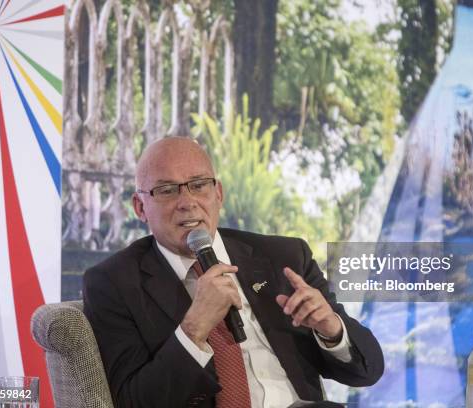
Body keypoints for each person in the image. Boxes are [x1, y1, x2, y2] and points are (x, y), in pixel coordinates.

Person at [83, 137, 384, 408]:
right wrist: (194, 328)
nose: (187, 202)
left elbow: (367, 370)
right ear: (140, 207)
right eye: (166, 190)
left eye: (199, 185)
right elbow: (132, 402)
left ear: (219, 193)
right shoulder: (113, 283)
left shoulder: (284, 257)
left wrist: (331, 330)